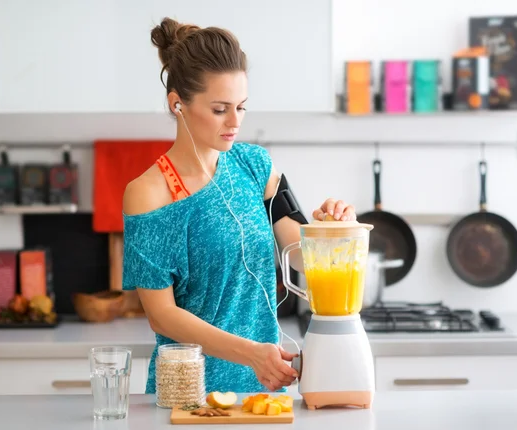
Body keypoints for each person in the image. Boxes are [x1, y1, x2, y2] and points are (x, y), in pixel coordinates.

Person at [122, 17, 357, 394]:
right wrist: (251, 354)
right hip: (188, 396)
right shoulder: (149, 192)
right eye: (220, 109)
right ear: (177, 104)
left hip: (263, 393)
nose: (235, 122)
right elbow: (161, 316)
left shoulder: (256, 166)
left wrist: (332, 228)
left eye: (241, 107)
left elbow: (301, 255)